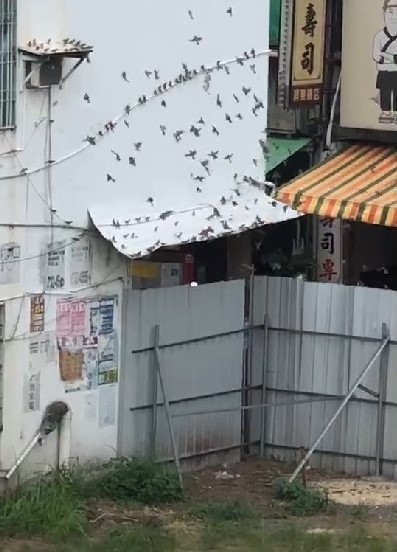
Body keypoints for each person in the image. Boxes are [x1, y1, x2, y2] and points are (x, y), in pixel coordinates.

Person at [373, 0, 397, 124]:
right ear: (384, 12)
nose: (394, 17)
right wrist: (392, 57)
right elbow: (376, 56)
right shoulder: (379, 36)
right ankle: (386, 112)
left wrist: (384, 55)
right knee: (385, 92)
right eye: (390, 11)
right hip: (384, 71)